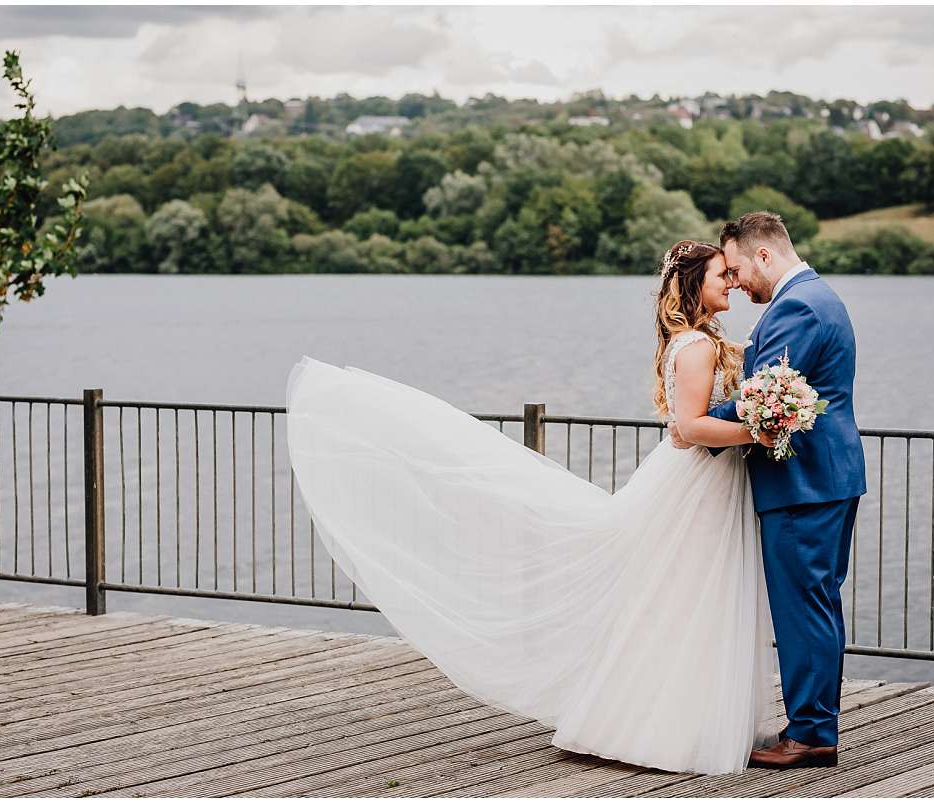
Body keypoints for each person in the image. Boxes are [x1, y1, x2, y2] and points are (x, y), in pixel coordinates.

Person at [285, 239, 779, 776]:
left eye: (731, 275)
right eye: (719, 275)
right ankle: (675, 725)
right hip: (698, 484)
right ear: (693, 285)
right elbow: (688, 429)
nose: (729, 282)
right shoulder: (699, 346)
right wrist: (760, 427)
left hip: (697, 481)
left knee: (675, 598)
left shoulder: (689, 341)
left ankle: (670, 717)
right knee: (687, 597)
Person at [669, 211, 867, 769]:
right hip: (819, 479)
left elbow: (764, 395)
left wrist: (697, 426)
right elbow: (774, 394)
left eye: (735, 269)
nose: (734, 282)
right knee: (816, 602)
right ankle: (811, 723)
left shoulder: (798, 306)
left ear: (763, 256)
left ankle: (810, 733)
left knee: (804, 606)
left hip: (804, 482)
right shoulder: (813, 296)